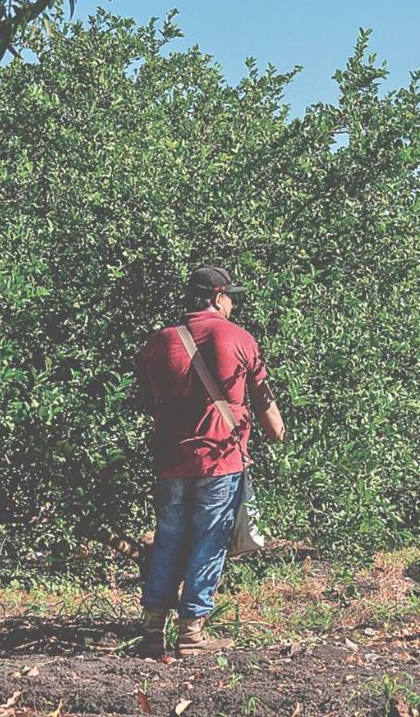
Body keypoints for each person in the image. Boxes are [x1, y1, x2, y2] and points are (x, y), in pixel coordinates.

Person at [136, 265, 287, 658]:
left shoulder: (158, 343)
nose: (233, 303)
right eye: (230, 296)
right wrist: (277, 434)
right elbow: (264, 397)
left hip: (170, 460)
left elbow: (150, 403)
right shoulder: (237, 337)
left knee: (168, 538)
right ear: (219, 298)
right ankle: (192, 631)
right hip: (221, 460)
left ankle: (153, 628)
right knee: (209, 540)